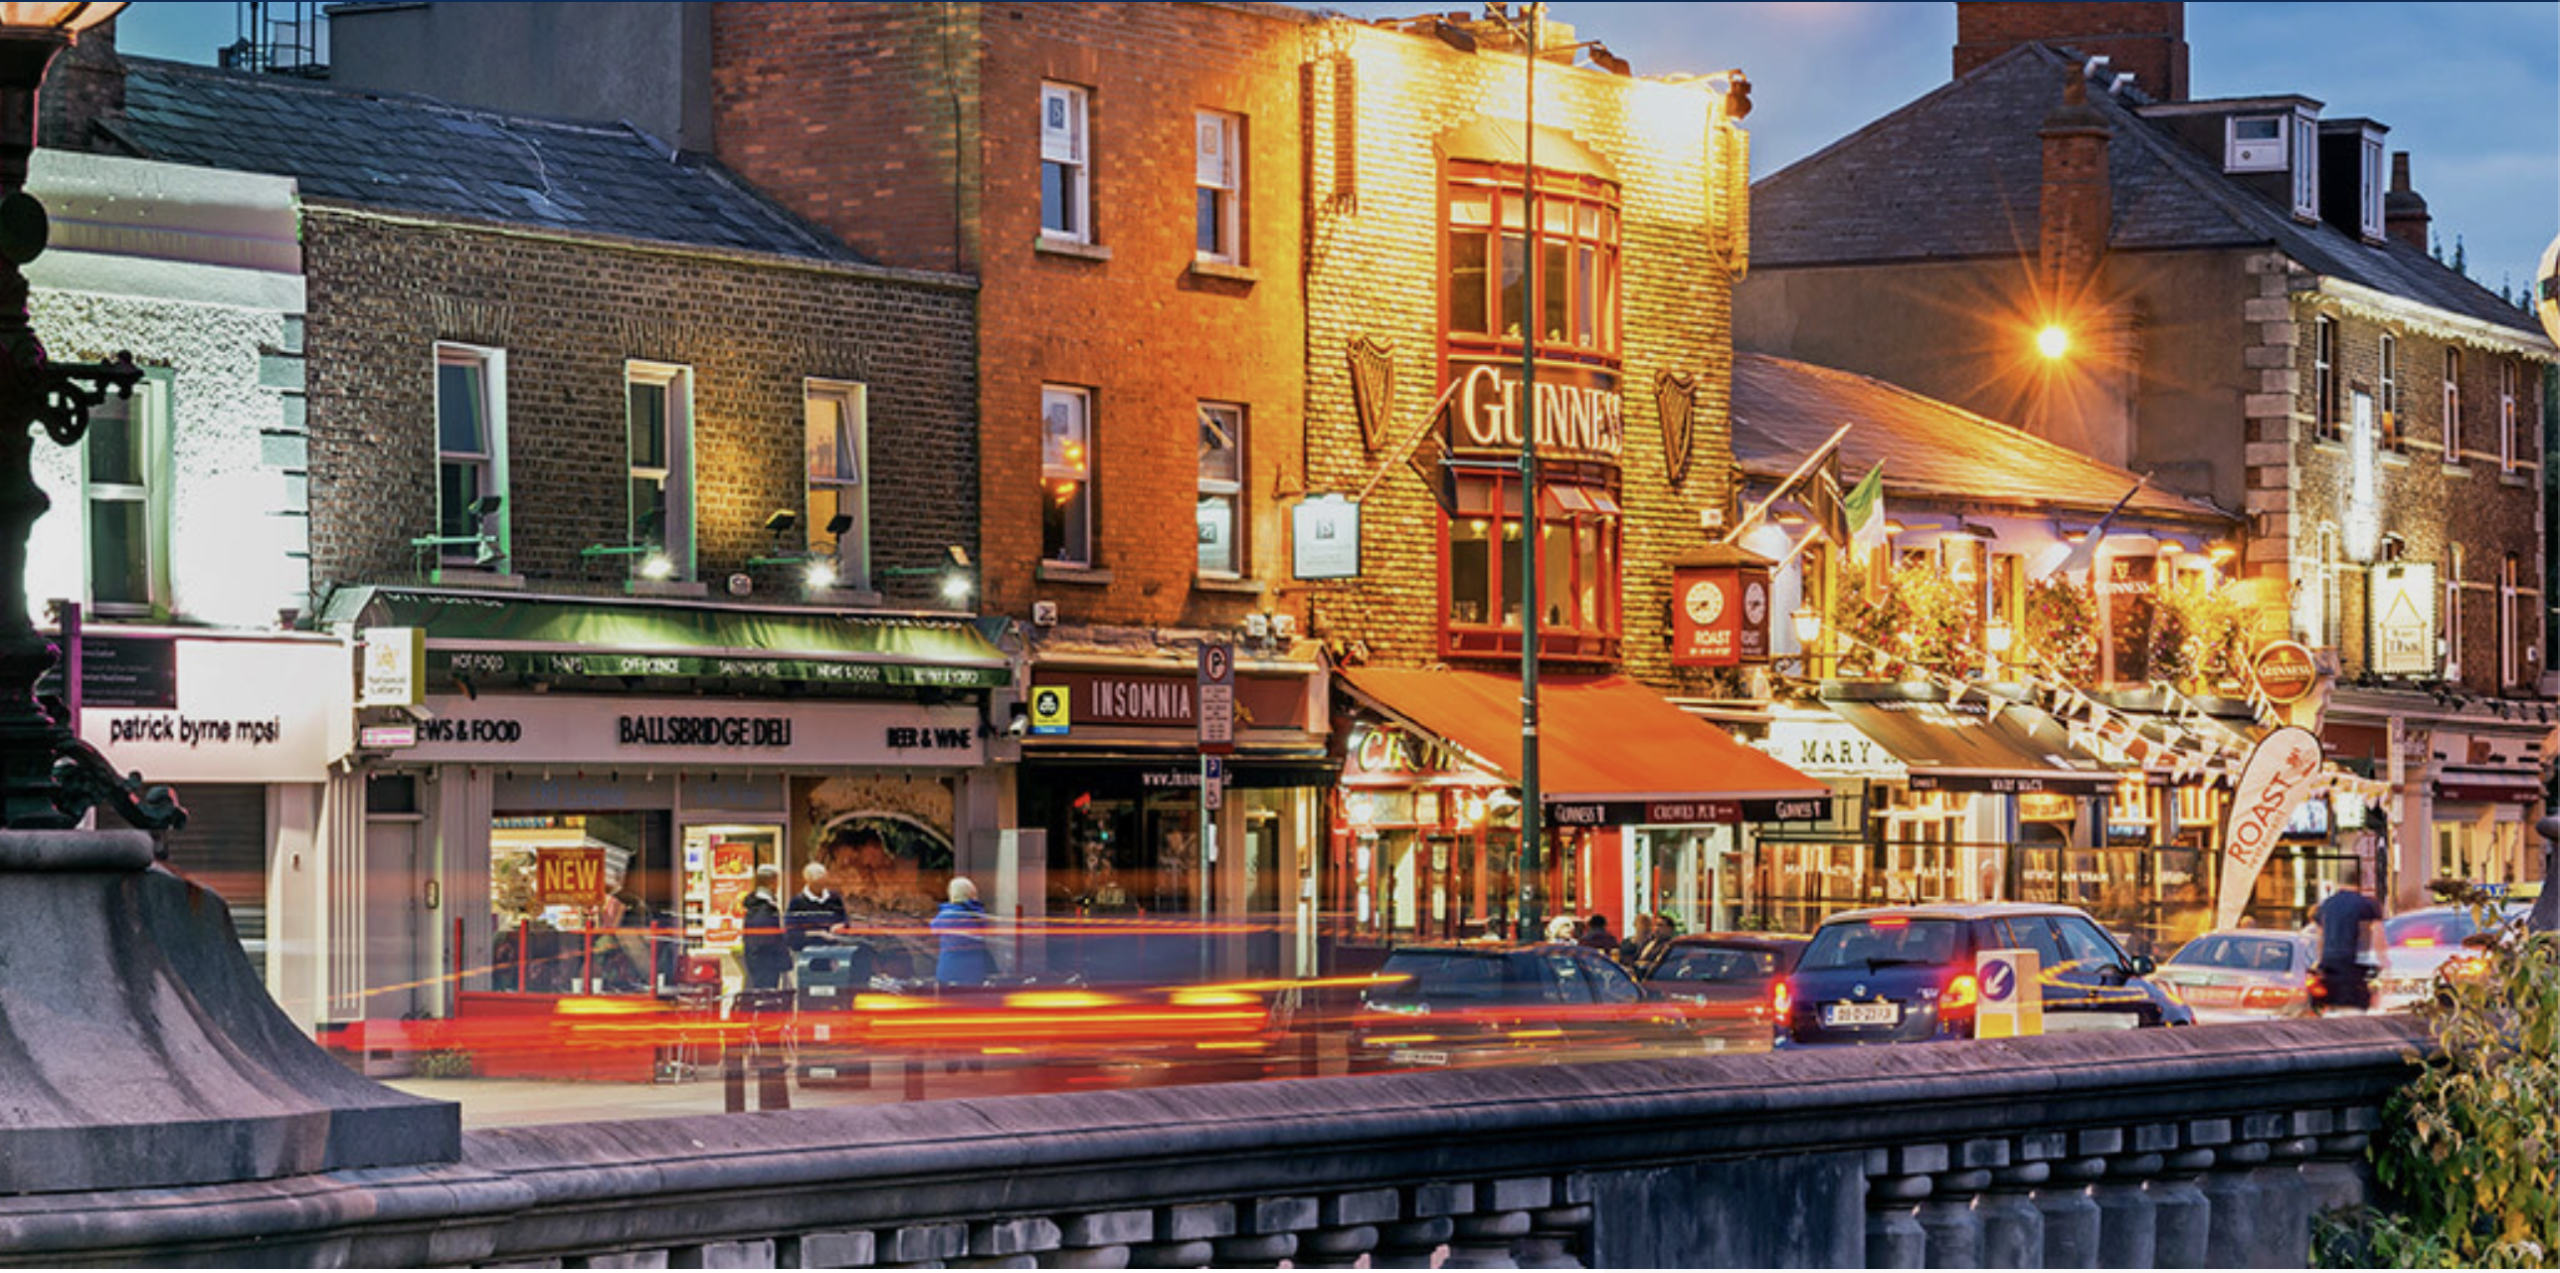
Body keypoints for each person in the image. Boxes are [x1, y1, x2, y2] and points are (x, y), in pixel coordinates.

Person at [2311, 873, 2384, 1014]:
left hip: (2329, 963)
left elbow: (2320, 936)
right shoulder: (2366, 905)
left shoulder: (2327, 905)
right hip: (2354, 964)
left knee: (2334, 1008)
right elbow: (2377, 933)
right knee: (2355, 1010)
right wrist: (2382, 960)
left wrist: (2320, 960)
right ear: (2360, 884)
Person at [932, 876, 997, 988]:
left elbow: (934, 929)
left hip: (948, 969)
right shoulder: (978, 914)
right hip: (974, 970)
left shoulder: (946, 915)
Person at [740, 864, 791, 991]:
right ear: (772, 881)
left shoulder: (756, 905)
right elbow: (767, 939)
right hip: (766, 963)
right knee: (766, 997)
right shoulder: (764, 908)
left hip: (760, 961)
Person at [786, 861, 850, 951]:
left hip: (833, 950)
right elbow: (792, 933)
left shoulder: (834, 898)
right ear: (808, 882)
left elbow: (844, 919)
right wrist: (818, 934)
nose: (821, 888)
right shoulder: (797, 902)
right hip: (807, 952)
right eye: (817, 885)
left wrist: (841, 925)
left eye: (823, 883)